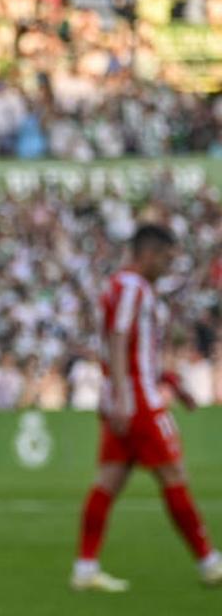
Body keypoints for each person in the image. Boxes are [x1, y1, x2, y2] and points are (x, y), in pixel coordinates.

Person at [72, 224, 222, 591]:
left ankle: (85, 569)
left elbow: (137, 348)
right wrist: (125, 395)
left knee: (108, 482)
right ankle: (209, 562)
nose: (169, 266)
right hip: (138, 401)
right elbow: (121, 339)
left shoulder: (125, 287)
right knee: (173, 473)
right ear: (149, 254)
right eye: (166, 259)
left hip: (128, 395)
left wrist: (171, 382)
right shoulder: (131, 287)